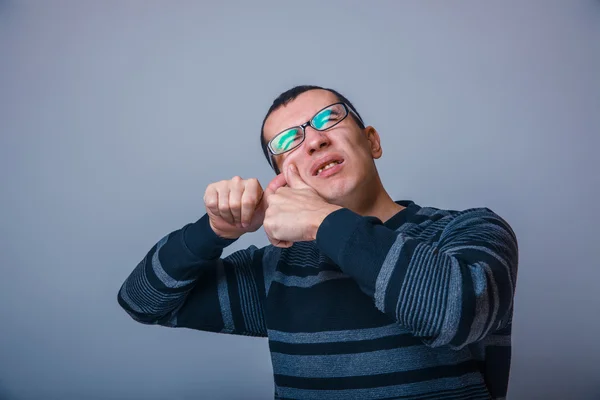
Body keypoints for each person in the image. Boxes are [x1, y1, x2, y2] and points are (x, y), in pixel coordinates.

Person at [118, 85, 519, 400]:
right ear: (283, 177)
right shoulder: (279, 269)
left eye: (329, 119)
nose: (313, 141)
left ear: (372, 142)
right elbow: (141, 300)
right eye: (288, 141)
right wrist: (215, 230)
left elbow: (455, 313)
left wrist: (320, 218)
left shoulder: (469, 229)